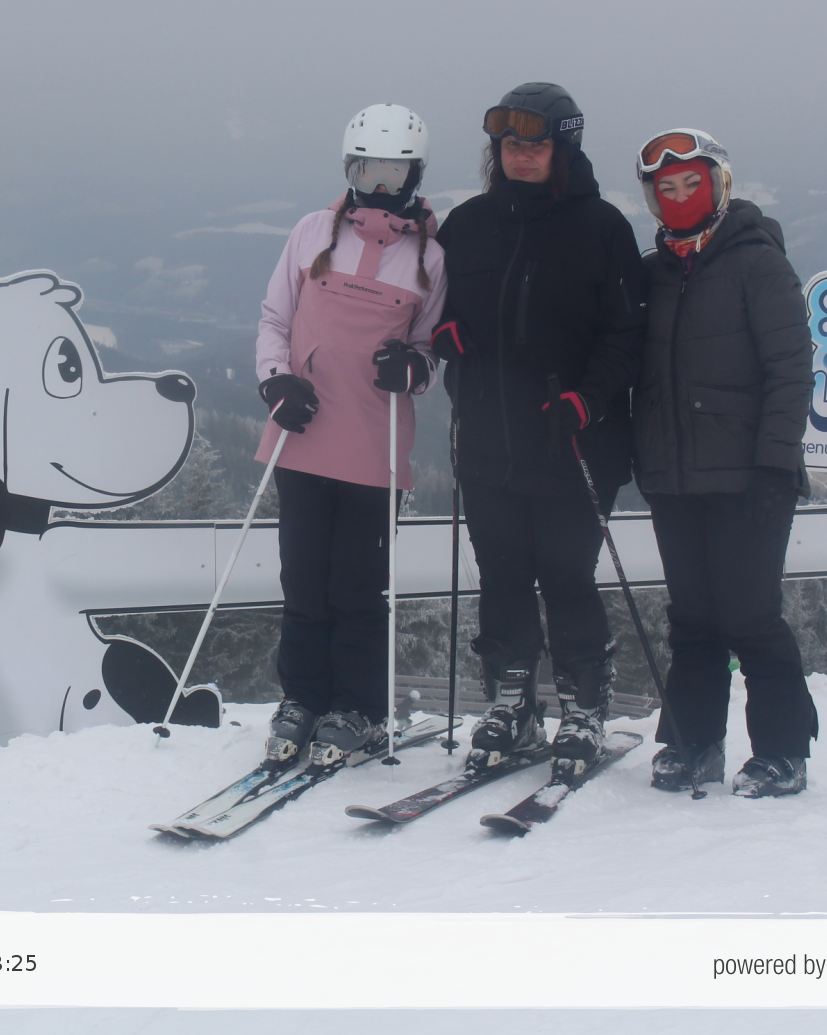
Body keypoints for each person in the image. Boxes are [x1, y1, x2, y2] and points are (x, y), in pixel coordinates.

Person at [429, 83, 645, 770]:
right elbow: (432, 304)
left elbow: (626, 335)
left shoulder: (602, 228)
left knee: (565, 576)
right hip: (487, 440)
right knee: (501, 576)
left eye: (536, 144)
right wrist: (444, 332)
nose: (521, 155)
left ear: (564, 148)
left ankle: (584, 706)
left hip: (573, 440)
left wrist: (590, 399)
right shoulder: (468, 224)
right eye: (509, 145)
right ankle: (512, 702)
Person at [255, 103, 447, 767]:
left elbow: (430, 348)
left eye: (396, 172)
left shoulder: (429, 258)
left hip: (373, 446)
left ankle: (358, 707)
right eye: (369, 170)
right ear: (349, 169)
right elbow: (275, 319)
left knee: (357, 587)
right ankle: (302, 699)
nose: (381, 185)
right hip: (304, 434)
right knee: (304, 579)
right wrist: (275, 382)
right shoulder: (312, 233)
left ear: (415, 175)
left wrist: (414, 369)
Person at [630, 128, 817, 798]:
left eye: (692, 183)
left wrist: (775, 465)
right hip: (674, 476)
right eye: (667, 188)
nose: (680, 196)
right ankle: (693, 742)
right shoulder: (653, 274)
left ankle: (784, 752)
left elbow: (791, 370)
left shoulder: (756, 261)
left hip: (748, 477)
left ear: (718, 185)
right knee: (693, 618)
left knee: (750, 616)